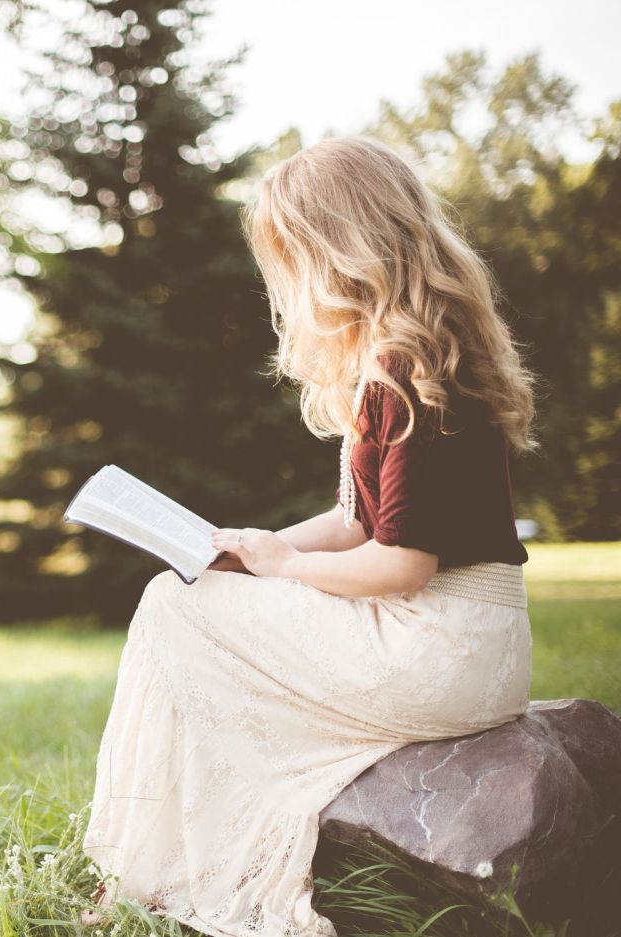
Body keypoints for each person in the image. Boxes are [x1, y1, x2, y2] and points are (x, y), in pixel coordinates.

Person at [79, 135, 537, 937]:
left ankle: (150, 870)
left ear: (337, 249)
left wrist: (285, 566)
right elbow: (359, 523)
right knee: (198, 596)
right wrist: (255, 548)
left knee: (170, 608)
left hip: (438, 643)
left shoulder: (400, 366)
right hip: (477, 641)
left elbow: (400, 562)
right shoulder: (424, 349)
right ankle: (164, 860)